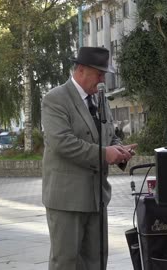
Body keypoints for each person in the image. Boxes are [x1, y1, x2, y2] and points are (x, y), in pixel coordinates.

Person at [41, 46, 138, 270]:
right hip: (67, 199)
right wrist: (105, 154)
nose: (103, 79)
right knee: (66, 262)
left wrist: (119, 150)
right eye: (99, 73)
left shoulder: (100, 99)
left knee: (96, 260)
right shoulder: (55, 99)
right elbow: (63, 143)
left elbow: (109, 135)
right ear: (82, 70)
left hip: (96, 197)